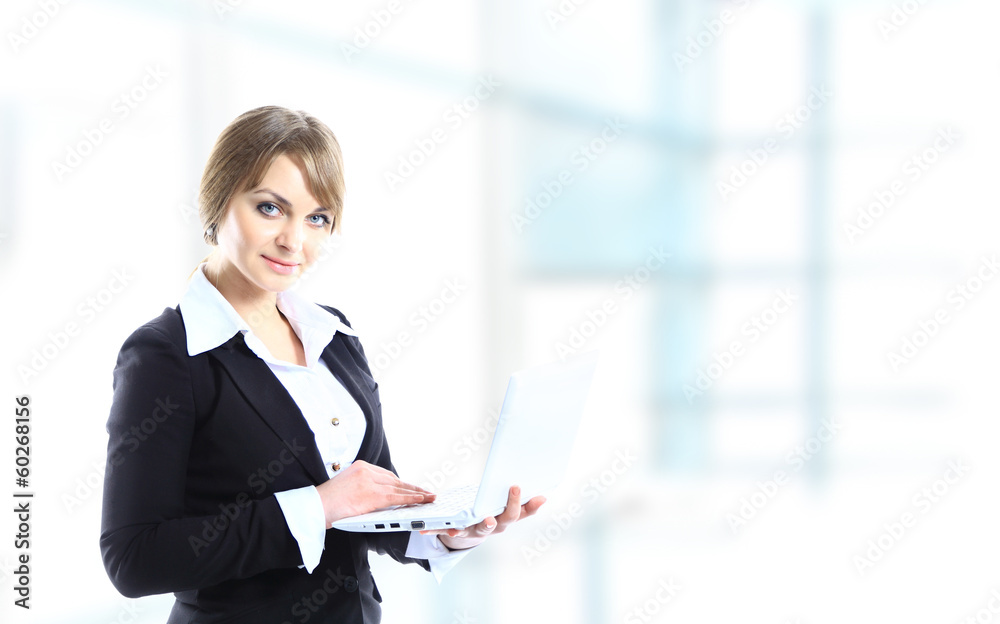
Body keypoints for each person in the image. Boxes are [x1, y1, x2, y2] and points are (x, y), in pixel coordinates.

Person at [99, 105, 546, 623]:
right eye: (270, 208)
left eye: (317, 218)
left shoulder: (332, 334)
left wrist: (447, 531)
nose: (295, 241)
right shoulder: (168, 353)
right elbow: (132, 559)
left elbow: (370, 501)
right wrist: (319, 505)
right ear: (218, 202)